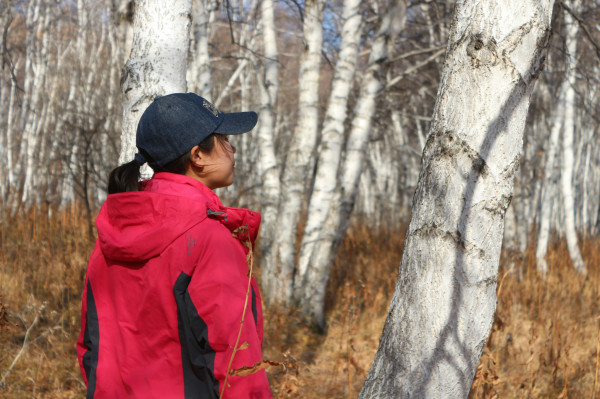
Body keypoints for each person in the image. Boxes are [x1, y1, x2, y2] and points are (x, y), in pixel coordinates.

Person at [77, 93, 272, 398]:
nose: (232, 148)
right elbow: (237, 360)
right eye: (222, 139)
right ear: (197, 156)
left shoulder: (113, 232)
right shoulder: (210, 240)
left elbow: (91, 346)